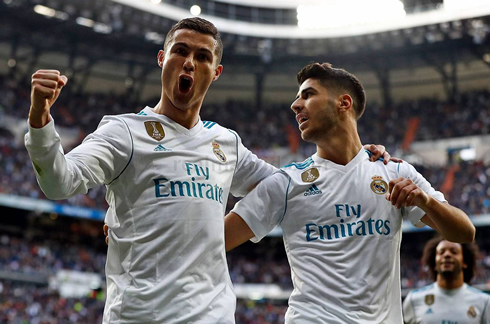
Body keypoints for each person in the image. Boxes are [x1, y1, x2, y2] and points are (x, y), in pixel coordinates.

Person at [25, 18, 390, 323]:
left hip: (211, 315)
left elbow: (288, 187)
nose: (189, 63)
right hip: (139, 315)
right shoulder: (124, 132)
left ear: (215, 73)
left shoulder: (225, 143)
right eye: (180, 51)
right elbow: (60, 182)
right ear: (161, 58)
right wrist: (40, 119)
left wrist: (357, 154)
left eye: (202, 57)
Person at [224, 62, 475, 323]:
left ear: (344, 103)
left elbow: (464, 233)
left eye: (308, 95)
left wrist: (426, 201)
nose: (295, 105)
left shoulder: (395, 172)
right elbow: (216, 241)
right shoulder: (286, 182)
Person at [403, 237, 490, 323]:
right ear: (434, 263)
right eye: (441, 252)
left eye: (454, 252)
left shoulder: (484, 302)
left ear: (465, 262)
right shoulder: (413, 300)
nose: (447, 255)